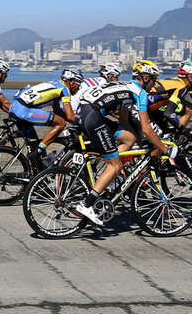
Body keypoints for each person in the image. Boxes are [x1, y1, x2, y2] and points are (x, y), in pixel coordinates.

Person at [73, 60, 175, 225]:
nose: (155, 84)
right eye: (154, 79)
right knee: (115, 166)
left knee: (129, 138)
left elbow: (125, 121)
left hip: (85, 112)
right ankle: (87, 203)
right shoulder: (140, 93)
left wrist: (142, 143)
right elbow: (147, 128)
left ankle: (107, 176)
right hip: (92, 117)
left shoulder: (125, 86)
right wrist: (164, 149)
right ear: (146, 77)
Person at [11, 69, 82, 161]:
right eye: (78, 85)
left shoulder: (55, 84)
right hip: (23, 110)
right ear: (72, 83)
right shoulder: (65, 89)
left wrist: (73, 121)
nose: (78, 88)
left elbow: (57, 111)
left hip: (14, 106)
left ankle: (33, 171)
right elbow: (70, 116)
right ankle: (39, 152)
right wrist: (81, 123)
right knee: (61, 123)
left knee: (34, 143)